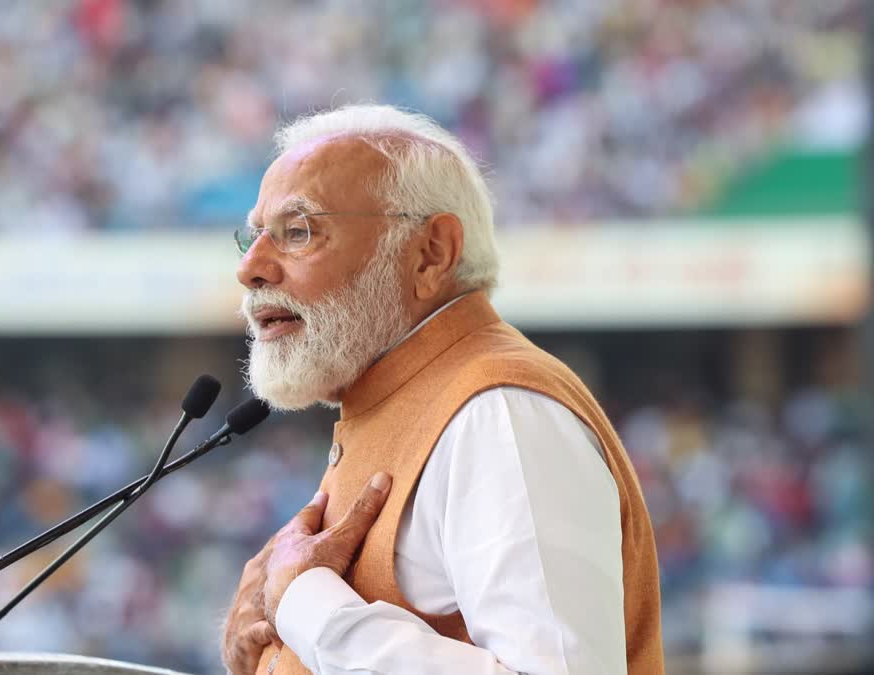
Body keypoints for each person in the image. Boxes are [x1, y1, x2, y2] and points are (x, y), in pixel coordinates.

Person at [220, 105, 663, 675]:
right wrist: (265, 652)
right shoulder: (395, 396)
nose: (251, 267)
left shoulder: (501, 412)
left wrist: (306, 605)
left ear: (430, 253)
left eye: (298, 231)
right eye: (253, 236)